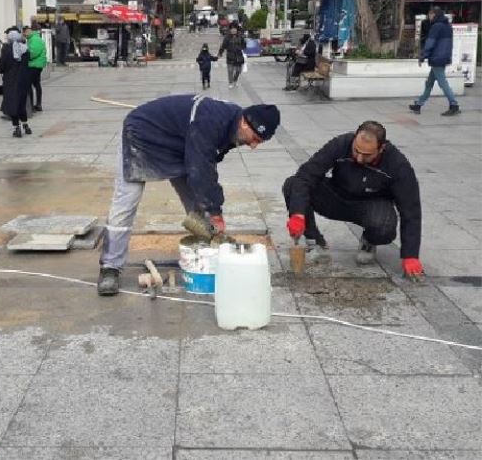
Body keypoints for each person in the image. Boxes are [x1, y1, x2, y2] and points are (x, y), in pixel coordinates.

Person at [97, 95, 280, 295]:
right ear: (245, 123)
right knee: (126, 202)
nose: (253, 146)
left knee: (198, 205)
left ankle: (206, 254)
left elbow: (206, 165)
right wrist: (215, 211)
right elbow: (201, 168)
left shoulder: (234, 125)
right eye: (254, 139)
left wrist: (209, 207)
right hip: (142, 136)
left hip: (180, 145)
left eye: (259, 142)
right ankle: (110, 267)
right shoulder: (212, 121)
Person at [282, 121, 424, 280]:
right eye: (356, 151)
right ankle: (315, 240)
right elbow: (306, 176)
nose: (359, 158)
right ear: (354, 139)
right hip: (336, 197)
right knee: (293, 184)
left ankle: (369, 241)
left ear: (381, 148)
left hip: (370, 207)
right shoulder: (341, 144)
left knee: (384, 227)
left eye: (367, 155)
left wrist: (411, 255)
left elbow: (411, 210)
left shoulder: (398, 165)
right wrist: (297, 214)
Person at [409, 7, 460, 116]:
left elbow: (430, 43)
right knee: (429, 83)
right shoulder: (447, 26)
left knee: (442, 83)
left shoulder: (436, 27)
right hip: (444, 57)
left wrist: (423, 56)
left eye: (430, 15)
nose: (429, 17)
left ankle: (454, 104)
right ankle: (418, 104)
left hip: (437, 58)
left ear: (435, 15)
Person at [0, 29, 32, 138]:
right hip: (23, 80)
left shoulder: (7, 50)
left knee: (12, 104)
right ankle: (26, 125)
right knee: (21, 103)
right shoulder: (25, 49)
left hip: (10, 81)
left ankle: (17, 127)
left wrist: (0, 65)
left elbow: (1, 67)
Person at [25, 26, 47, 112]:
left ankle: (34, 104)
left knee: (31, 84)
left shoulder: (35, 39)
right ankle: (38, 104)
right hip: (37, 65)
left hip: (34, 65)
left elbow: (33, 52)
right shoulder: (33, 38)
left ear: (28, 31)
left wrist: (26, 57)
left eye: (25, 33)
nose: (24, 35)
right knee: (36, 84)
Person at [218, 22, 246, 89]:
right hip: (230, 55)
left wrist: (241, 47)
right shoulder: (227, 37)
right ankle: (230, 82)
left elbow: (244, 44)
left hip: (238, 56)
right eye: (232, 29)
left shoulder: (240, 36)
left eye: (234, 29)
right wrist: (220, 53)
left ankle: (235, 80)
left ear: (237, 29)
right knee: (230, 70)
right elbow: (223, 46)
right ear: (230, 29)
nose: (233, 30)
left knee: (238, 70)